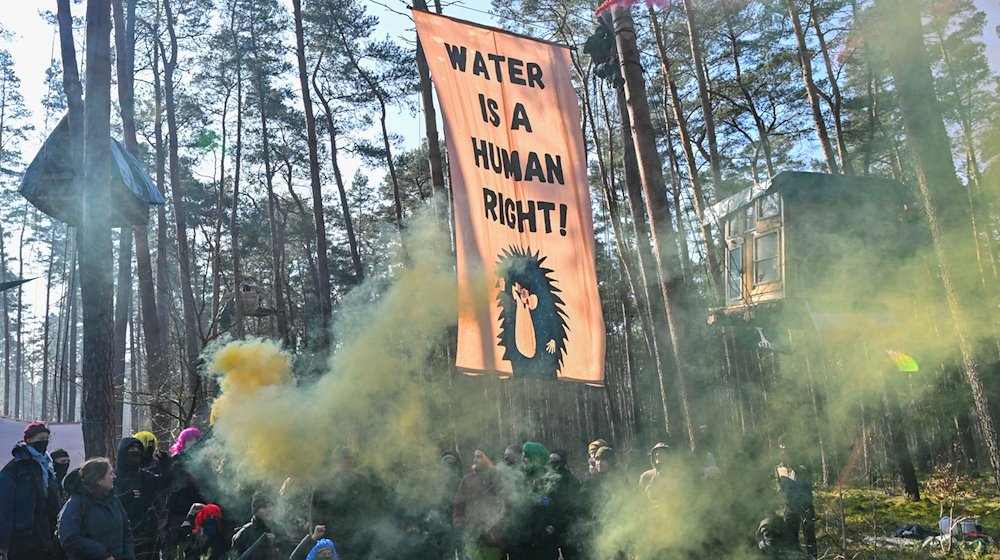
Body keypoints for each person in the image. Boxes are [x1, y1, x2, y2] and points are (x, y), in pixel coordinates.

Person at [0, 421, 63, 560]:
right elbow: (4, 507)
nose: (44, 443)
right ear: (28, 440)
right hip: (23, 536)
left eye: (46, 439)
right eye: (41, 439)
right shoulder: (15, 468)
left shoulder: (48, 466)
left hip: (47, 531)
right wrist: (3, 542)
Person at [57, 457, 135, 560]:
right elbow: (69, 537)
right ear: (99, 480)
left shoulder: (113, 500)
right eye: (110, 474)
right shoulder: (76, 503)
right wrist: (102, 554)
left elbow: (126, 529)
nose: (114, 476)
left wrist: (128, 556)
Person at [114, 436, 171, 560]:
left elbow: (164, 482)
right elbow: (106, 502)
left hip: (147, 534)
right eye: (131, 450)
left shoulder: (145, 476)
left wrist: (165, 465)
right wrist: (125, 498)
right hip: (121, 534)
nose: (134, 453)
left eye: (137, 450)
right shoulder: (113, 477)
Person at [452, 449, 506, 560]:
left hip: (492, 541)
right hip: (471, 538)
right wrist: (460, 524)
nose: (474, 459)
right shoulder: (467, 479)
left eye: (479, 457)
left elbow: (507, 505)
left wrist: (494, 525)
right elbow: (458, 505)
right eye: (474, 456)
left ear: (487, 458)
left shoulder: (498, 479)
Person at [775, 436, 816, 559]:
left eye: (786, 447)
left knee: (810, 539)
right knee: (790, 539)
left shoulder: (803, 462)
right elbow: (778, 484)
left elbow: (807, 480)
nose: (784, 450)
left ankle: (813, 557)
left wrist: (795, 466)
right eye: (781, 447)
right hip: (790, 506)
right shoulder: (778, 467)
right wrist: (780, 492)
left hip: (805, 505)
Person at [232, 492, 281, 560]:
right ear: (255, 511)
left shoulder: (279, 529)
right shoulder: (245, 533)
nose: (269, 510)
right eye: (264, 507)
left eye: (270, 506)